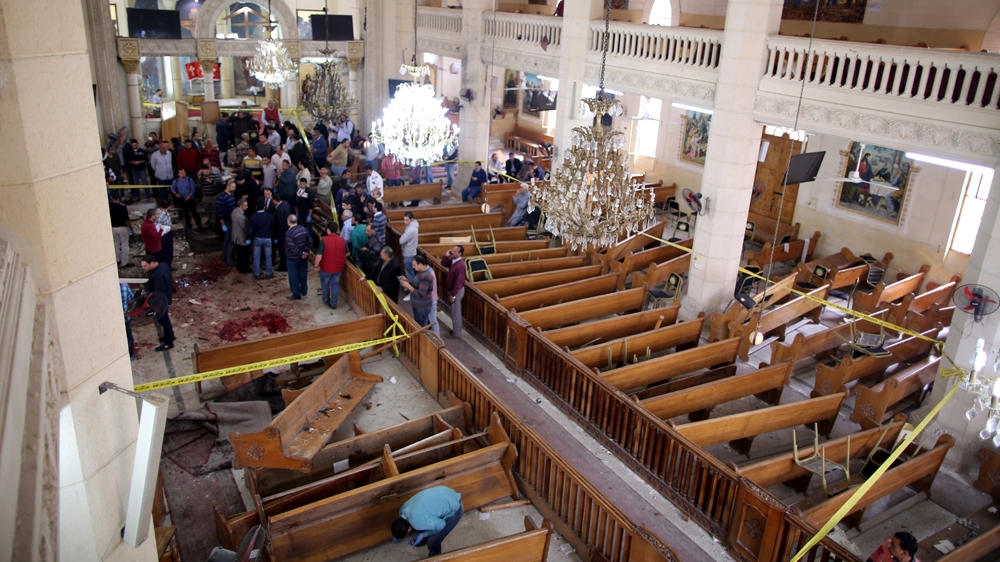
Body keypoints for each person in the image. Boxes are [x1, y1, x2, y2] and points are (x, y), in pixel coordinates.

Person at [390, 486, 463, 557]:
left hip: (455, 506)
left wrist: (423, 535)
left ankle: (435, 557)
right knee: (423, 524)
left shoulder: (418, 522)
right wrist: (398, 534)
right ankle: (425, 537)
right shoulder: (402, 510)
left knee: (432, 542)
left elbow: (441, 525)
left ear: (408, 530)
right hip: (445, 490)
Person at [141, 254, 175, 352]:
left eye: (145, 266)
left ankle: (169, 343)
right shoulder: (163, 266)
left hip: (162, 302)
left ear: (151, 263)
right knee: (165, 320)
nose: (144, 268)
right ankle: (170, 335)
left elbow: (158, 293)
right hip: (167, 298)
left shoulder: (157, 276)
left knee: (163, 320)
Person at [315, 222, 347, 309]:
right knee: (335, 284)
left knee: (325, 284)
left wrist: (316, 265)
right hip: (338, 268)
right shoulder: (342, 240)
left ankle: (326, 299)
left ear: (328, 230)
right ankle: (334, 303)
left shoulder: (324, 240)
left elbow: (319, 256)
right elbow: (347, 253)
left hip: (326, 268)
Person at [399, 254, 436, 326]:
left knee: (420, 327)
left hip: (422, 307)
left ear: (421, 264)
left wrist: (408, 286)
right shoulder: (420, 272)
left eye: (414, 265)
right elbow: (418, 285)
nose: (413, 267)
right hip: (418, 305)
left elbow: (420, 294)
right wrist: (407, 280)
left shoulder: (426, 276)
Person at [285, 215, 311, 300]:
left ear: (288, 222)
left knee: (293, 276)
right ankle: (304, 290)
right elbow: (310, 242)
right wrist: (305, 252)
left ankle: (296, 293)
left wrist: (300, 253)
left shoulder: (289, 233)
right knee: (303, 274)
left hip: (293, 258)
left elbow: (292, 247)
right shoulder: (304, 229)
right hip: (303, 257)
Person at [442, 245, 466, 338]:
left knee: (456, 313)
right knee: (454, 312)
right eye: (452, 250)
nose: (452, 252)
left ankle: (457, 334)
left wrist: (453, 295)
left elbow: (459, 282)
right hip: (452, 290)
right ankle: (456, 330)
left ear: (460, 254)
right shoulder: (453, 261)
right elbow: (443, 263)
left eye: (455, 251)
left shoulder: (460, 265)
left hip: (456, 291)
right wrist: (446, 255)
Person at [248, 200, 275, 280]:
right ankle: (269, 273)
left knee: (256, 256)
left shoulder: (253, 217)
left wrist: (248, 238)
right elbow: (273, 226)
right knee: (268, 256)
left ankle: (256, 274)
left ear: (256, 208)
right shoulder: (269, 216)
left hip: (257, 238)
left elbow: (250, 230)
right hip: (267, 238)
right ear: (264, 207)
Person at [198, 158, 222, 229]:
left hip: (215, 195)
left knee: (214, 210)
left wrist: (211, 182)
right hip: (206, 195)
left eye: (207, 166)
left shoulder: (215, 172)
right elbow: (199, 186)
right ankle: (210, 221)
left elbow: (220, 184)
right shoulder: (200, 173)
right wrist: (200, 180)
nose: (205, 170)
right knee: (208, 210)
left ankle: (214, 224)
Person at [217, 181, 237, 264]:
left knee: (227, 239)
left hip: (232, 219)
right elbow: (219, 212)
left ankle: (225, 257)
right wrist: (223, 224)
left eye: (234, 187)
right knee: (231, 240)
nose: (234, 189)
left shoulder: (232, 194)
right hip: (226, 220)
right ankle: (230, 260)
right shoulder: (221, 197)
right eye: (232, 187)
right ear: (228, 186)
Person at [109, 192, 131, 268]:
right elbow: (127, 219)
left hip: (113, 227)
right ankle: (124, 262)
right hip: (122, 227)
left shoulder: (109, 206)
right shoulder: (122, 206)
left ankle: (117, 259)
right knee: (124, 245)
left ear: (111, 197)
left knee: (116, 244)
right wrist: (131, 228)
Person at [273, 194, 293, 272]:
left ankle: (283, 266)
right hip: (288, 231)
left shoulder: (279, 210)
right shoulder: (286, 204)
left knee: (282, 251)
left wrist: (277, 237)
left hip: (282, 234)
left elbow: (280, 225)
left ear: (275, 200)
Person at [399, 210, 419, 283]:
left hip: (409, 254)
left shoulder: (411, 229)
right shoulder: (411, 226)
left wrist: (403, 237)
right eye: (404, 220)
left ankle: (411, 289)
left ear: (411, 219)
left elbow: (401, 241)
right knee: (409, 272)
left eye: (407, 220)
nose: (405, 222)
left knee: (410, 274)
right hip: (410, 252)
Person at [231, 199, 251, 274]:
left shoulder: (234, 211)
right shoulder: (241, 217)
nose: (247, 207)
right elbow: (245, 228)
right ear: (241, 206)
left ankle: (240, 267)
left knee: (239, 253)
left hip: (236, 236)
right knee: (244, 254)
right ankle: (244, 269)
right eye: (245, 205)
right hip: (242, 237)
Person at [155, 199, 175, 266]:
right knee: (166, 250)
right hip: (164, 234)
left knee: (169, 249)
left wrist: (171, 225)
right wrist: (166, 228)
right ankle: (166, 265)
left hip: (168, 232)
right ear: (168, 207)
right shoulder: (161, 215)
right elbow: (157, 225)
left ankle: (168, 264)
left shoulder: (159, 211)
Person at [120, 282, 135, 359]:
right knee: (128, 336)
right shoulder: (124, 286)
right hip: (125, 317)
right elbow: (132, 298)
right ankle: (130, 354)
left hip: (116, 321)